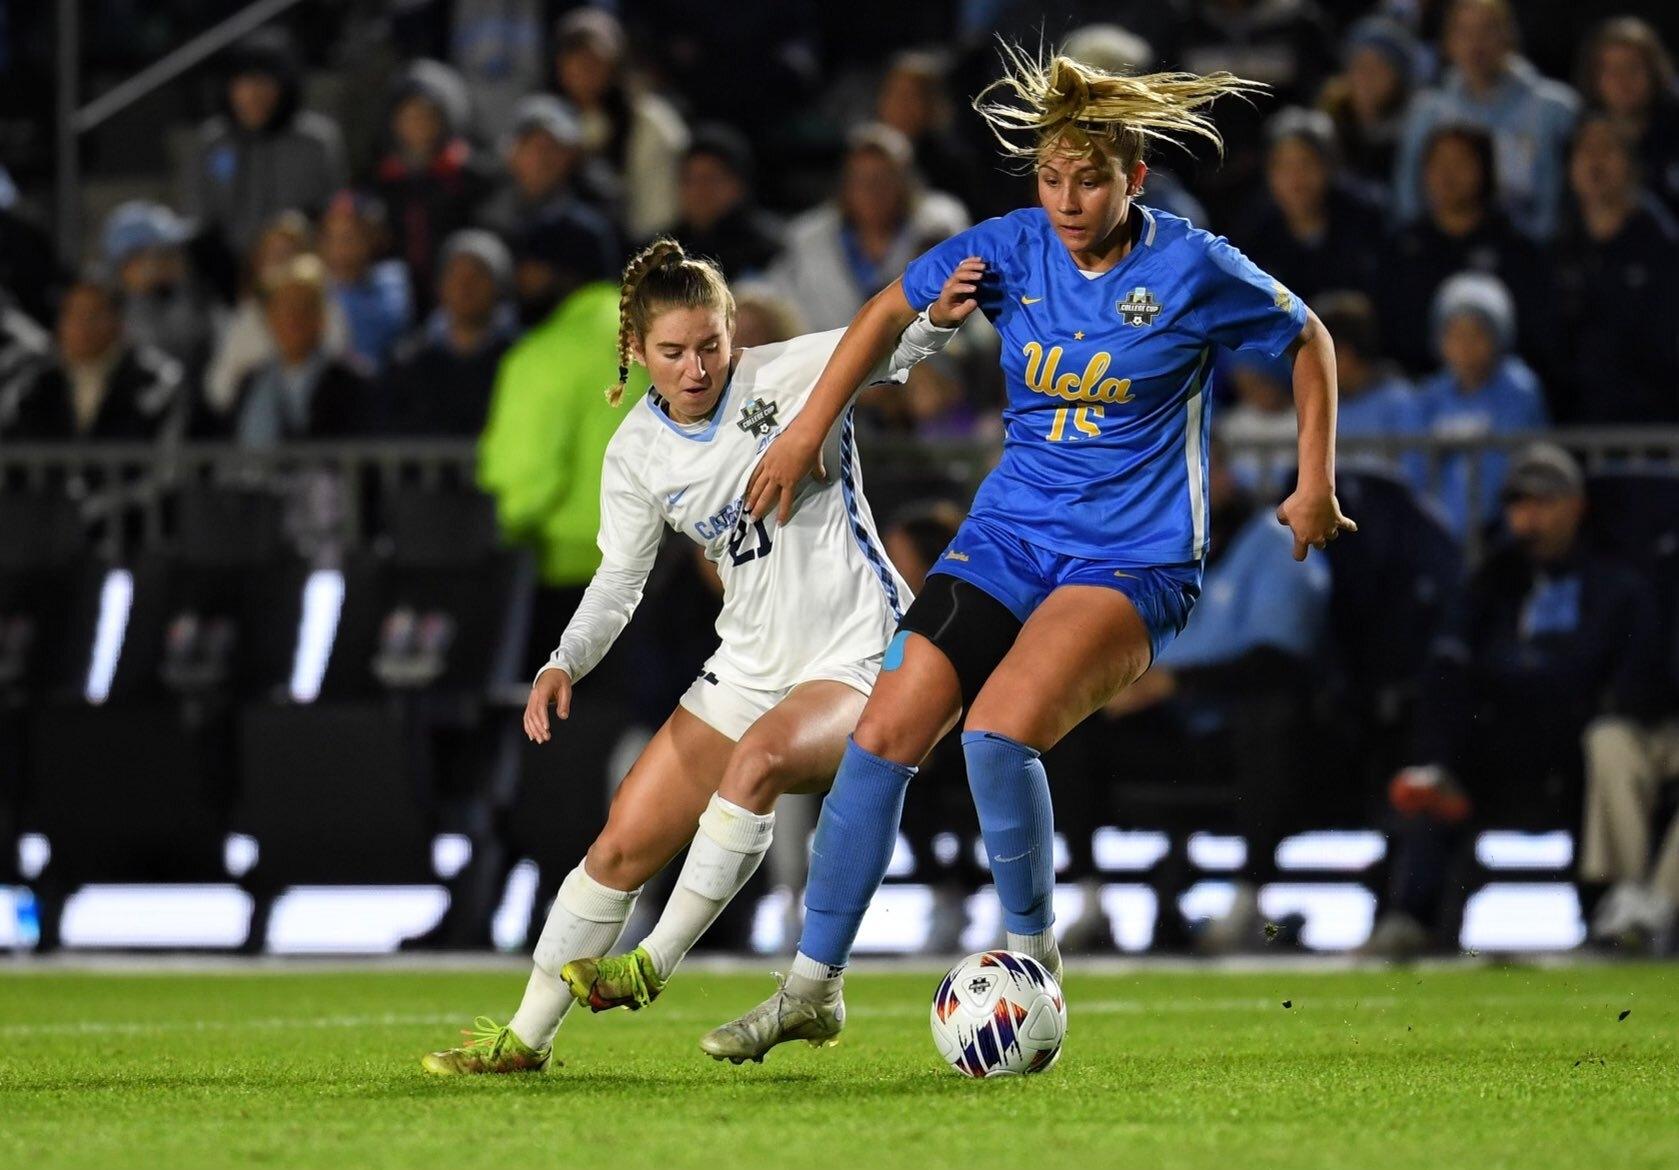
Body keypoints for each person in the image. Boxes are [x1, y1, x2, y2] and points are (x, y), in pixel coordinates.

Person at [708, 45, 1352, 1062]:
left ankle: (1031, 967)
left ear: (1131, 178)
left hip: (1130, 561)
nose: (1064, 199)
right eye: (1050, 178)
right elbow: (884, 310)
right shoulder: (1010, 247)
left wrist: (1312, 481)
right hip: (1006, 538)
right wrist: (801, 434)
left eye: (1086, 179)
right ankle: (808, 988)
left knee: (995, 734)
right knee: (883, 735)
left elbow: (1306, 337)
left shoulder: (1189, 266)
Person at [419, 238, 961, 1075]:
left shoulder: (788, 372)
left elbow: (893, 336)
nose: (696, 368)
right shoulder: (636, 452)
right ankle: (524, 1040)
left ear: (730, 331)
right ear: (635, 351)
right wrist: (564, 660)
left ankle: (654, 963)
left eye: (709, 345)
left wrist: (939, 311)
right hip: (747, 666)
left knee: (762, 760)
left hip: (860, 648)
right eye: (671, 352)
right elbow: (618, 582)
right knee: (618, 850)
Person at [1368, 444, 1664, 956]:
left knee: (1601, 748)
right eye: (1520, 504)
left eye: (1545, 503)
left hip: (1574, 740)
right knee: (1437, 741)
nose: (1531, 518)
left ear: (1577, 505)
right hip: (1495, 740)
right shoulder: (1490, 580)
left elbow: (1629, 677)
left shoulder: (1616, 586)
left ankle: (1604, 917)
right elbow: (1449, 662)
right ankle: (1410, 915)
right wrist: (1439, 752)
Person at [1393, 0, 1579, 240]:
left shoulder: (1555, 109)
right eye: (1464, 32)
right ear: (1448, 43)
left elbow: (1568, 197)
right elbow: (1408, 196)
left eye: (1487, 30)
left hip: (1533, 254)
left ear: (1509, 37)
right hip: (1443, 253)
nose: (1476, 43)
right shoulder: (1428, 112)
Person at [1542, 113, 1679, 424]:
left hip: (1654, 430)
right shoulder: (1558, 249)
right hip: (1575, 427)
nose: (1595, 162)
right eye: (1585, 151)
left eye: (1607, 150)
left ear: (1632, 165)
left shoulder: (1663, 246)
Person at [770, 122, 969, 332]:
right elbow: (778, 298)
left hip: (925, 353)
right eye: (861, 179)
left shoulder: (940, 226)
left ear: (905, 183)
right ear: (845, 185)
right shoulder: (808, 237)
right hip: (826, 355)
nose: (871, 191)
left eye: (883, 179)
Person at [1378, 123, 1543, 374]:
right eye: (1438, 163)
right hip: (1416, 389)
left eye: (1461, 163)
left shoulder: (1515, 247)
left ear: (1485, 170)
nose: (1448, 174)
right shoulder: (1401, 246)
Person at [179, 29, 347, 263]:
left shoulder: (316, 142)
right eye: (242, 82)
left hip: (303, 274)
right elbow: (197, 221)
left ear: (285, 84)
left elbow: (335, 217)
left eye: (263, 81)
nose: (252, 94)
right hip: (229, 278)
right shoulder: (210, 145)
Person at [1412, 272, 1547, 538]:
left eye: (1476, 334)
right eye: (1455, 334)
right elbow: (1415, 467)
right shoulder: (1431, 394)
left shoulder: (1519, 389)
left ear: (1499, 336)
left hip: (1501, 533)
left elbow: (1515, 467)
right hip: (1438, 532)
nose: (1465, 346)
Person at [551, 7, 689, 241]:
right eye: (573, 57)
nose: (583, 69)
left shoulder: (652, 123)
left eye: (594, 59)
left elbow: (658, 216)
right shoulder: (550, 118)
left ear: (616, 63)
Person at [0, 280, 183, 443]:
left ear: (118, 321)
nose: (82, 325)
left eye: (93, 314)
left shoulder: (148, 380)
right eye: (73, 314)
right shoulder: (35, 383)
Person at [1232, 107, 1384, 302]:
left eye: (1306, 163)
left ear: (1328, 167)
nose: (1296, 179)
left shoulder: (1363, 222)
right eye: (1285, 166)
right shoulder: (1254, 232)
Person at [372, 60, 490, 310]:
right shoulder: (382, 180)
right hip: (400, 296)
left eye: (427, 116)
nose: (418, 125)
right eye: (409, 117)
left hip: (456, 294)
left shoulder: (469, 176)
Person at [224, 255, 375, 446]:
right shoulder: (249, 382)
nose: (293, 320)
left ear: (321, 318)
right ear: (269, 319)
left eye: (302, 307)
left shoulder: (353, 381)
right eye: (283, 309)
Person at [381, 229, 515, 437]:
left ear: (499, 286)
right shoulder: (407, 359)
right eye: (455, 275)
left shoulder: (519, 357)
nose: (464, 287)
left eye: (476, 277)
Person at [1575, 17, 1679, 219]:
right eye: (1611, 71)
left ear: (1654, 72)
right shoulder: (1584, 142)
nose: (1622, 81)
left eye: (1633, 68)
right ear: (1595, 78)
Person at [1319, 16, 1426, 198]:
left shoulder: (1416, 130)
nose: (1366, 78)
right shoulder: (1329, 125)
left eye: (1379, 68)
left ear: (1400, 79)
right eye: (1359, 66)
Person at [667, 125, 784, 281]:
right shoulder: (664, 251)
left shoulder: (770, 250)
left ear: (739, 184)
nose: (699, 191)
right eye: (690, 180)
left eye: (710, 180)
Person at [318, 192, 412, 376]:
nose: (340, 249)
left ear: (371, 238)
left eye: (349, 238)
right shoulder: (313, 290)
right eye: (332, 238)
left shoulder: (394, 282)